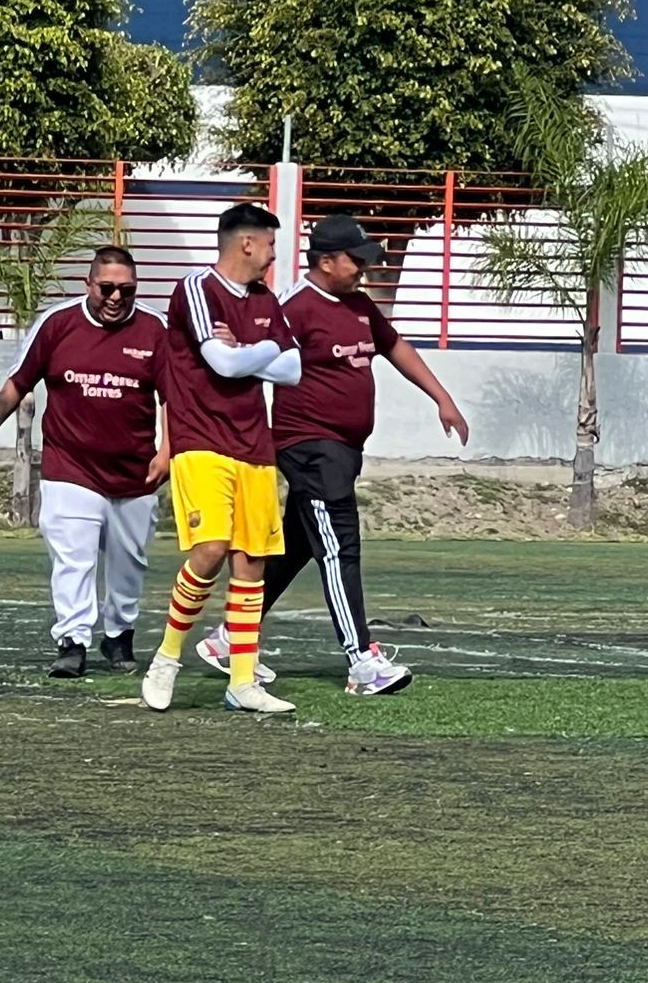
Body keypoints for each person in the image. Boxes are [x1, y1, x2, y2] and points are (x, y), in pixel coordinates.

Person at [195, 214, 471, 695]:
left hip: (344, 448)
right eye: (356, 260)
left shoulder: (359, 305)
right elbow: (253, 356)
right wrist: (236, 347)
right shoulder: (293, 308)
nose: (364, 269)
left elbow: (395, 346)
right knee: (340, 545)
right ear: (326, 261)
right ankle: (361, 659)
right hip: (308, 445)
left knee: (297, 547)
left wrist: (441, 398)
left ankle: (228, 639)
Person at [0, 246, 168, 678]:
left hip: (135, 471)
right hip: (70, 467)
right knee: (74, 558)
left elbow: (175, 398)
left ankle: (120, 635)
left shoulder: (154, 329)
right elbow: (17, 385)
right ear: (88, 285)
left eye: (126, 291)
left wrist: (167, 451)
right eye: (107, 288)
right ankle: (72, 641)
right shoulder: (58, 324)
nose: (115, 298)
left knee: (129, 562)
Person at [141, 202, 302, 716]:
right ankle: (167, 658)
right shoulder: (195, 288)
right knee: (210, 548)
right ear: (247, 243)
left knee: (251, 562)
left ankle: (241, 680)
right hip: (199, 440)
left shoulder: (265, 299)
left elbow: (294, 368)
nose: (274, 256)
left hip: (255, 444)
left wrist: (254, 348)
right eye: (272, 245)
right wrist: (264, 349)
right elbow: (222, 362)